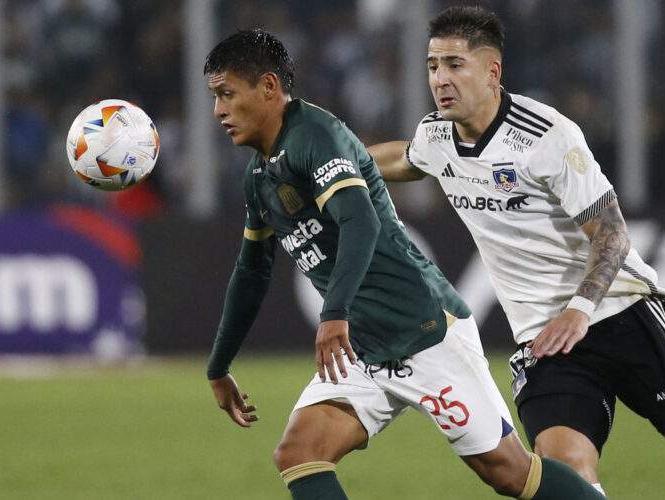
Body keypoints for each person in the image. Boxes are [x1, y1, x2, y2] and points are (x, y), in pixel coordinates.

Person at [368, 5, 665, 498]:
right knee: (565, 475)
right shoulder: (437, 134)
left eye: (454, 65)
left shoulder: (545, 136)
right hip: (545, 341)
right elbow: (407, 157)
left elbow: (612, 233)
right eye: (432, 65)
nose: (440, 78)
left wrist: (579, 309)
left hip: (620, 314)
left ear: (492, 72)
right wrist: (332, 163)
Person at [204, 28, 606, 500]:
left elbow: (360, 222)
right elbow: (252, 271)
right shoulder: (259, 175)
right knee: (299, 451)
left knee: (509, 473)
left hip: (425, 330)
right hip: (365, 349)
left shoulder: (318, 135)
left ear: (268, 87)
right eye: (215, 97)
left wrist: (334, 314)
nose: (219, 111)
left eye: (227, 94)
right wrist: (219, 365)